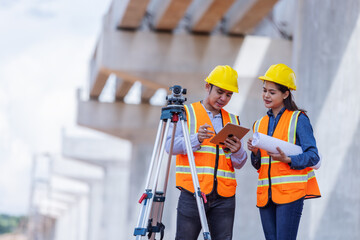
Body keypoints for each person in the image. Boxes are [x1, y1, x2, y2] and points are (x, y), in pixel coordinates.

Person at [165, 65, 247, 240]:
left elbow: (239, 163)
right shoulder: (186, 113)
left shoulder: (233, 120)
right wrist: (195, 139)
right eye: (219, 92)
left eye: (229, 94)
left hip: (224, 197)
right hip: (192, 192)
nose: (223, 98)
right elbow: (169, 146)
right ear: (207, 86)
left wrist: (238, 151)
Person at [247, 63, 321, 240]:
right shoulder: (259, 124)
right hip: (266, 195)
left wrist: (288, 159)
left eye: (272, 92)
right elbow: (258, 164)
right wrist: (255, 152)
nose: (266, 95)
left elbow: (313, 156)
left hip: (290, 194)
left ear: (285, 94)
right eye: (264, 90)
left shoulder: (299, 119)